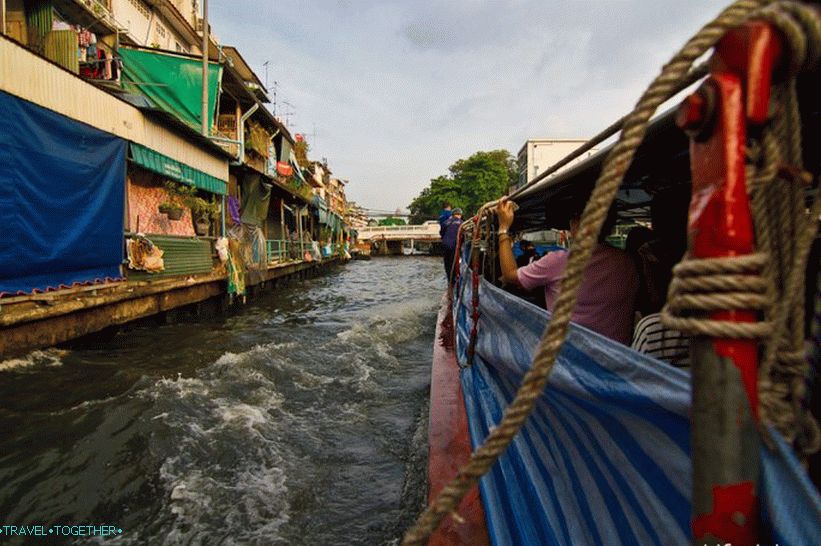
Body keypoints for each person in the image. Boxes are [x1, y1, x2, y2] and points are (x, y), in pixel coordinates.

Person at [496, 198, 638, 345]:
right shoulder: (628, 261)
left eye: (574, 218)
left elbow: (509, 275)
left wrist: (503, 229)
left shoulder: (559, 261)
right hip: (618, 360)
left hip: (568, 359)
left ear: (579, 223)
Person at [441, 208, 463, 281]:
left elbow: (442, 233)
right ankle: (454, 281)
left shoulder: (445, 222)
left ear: (452, 215)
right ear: (460, 215)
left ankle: (449, 281)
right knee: (454, 263)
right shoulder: (462, 223)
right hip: (454, 245)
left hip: (445, 245)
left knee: (447, 264)